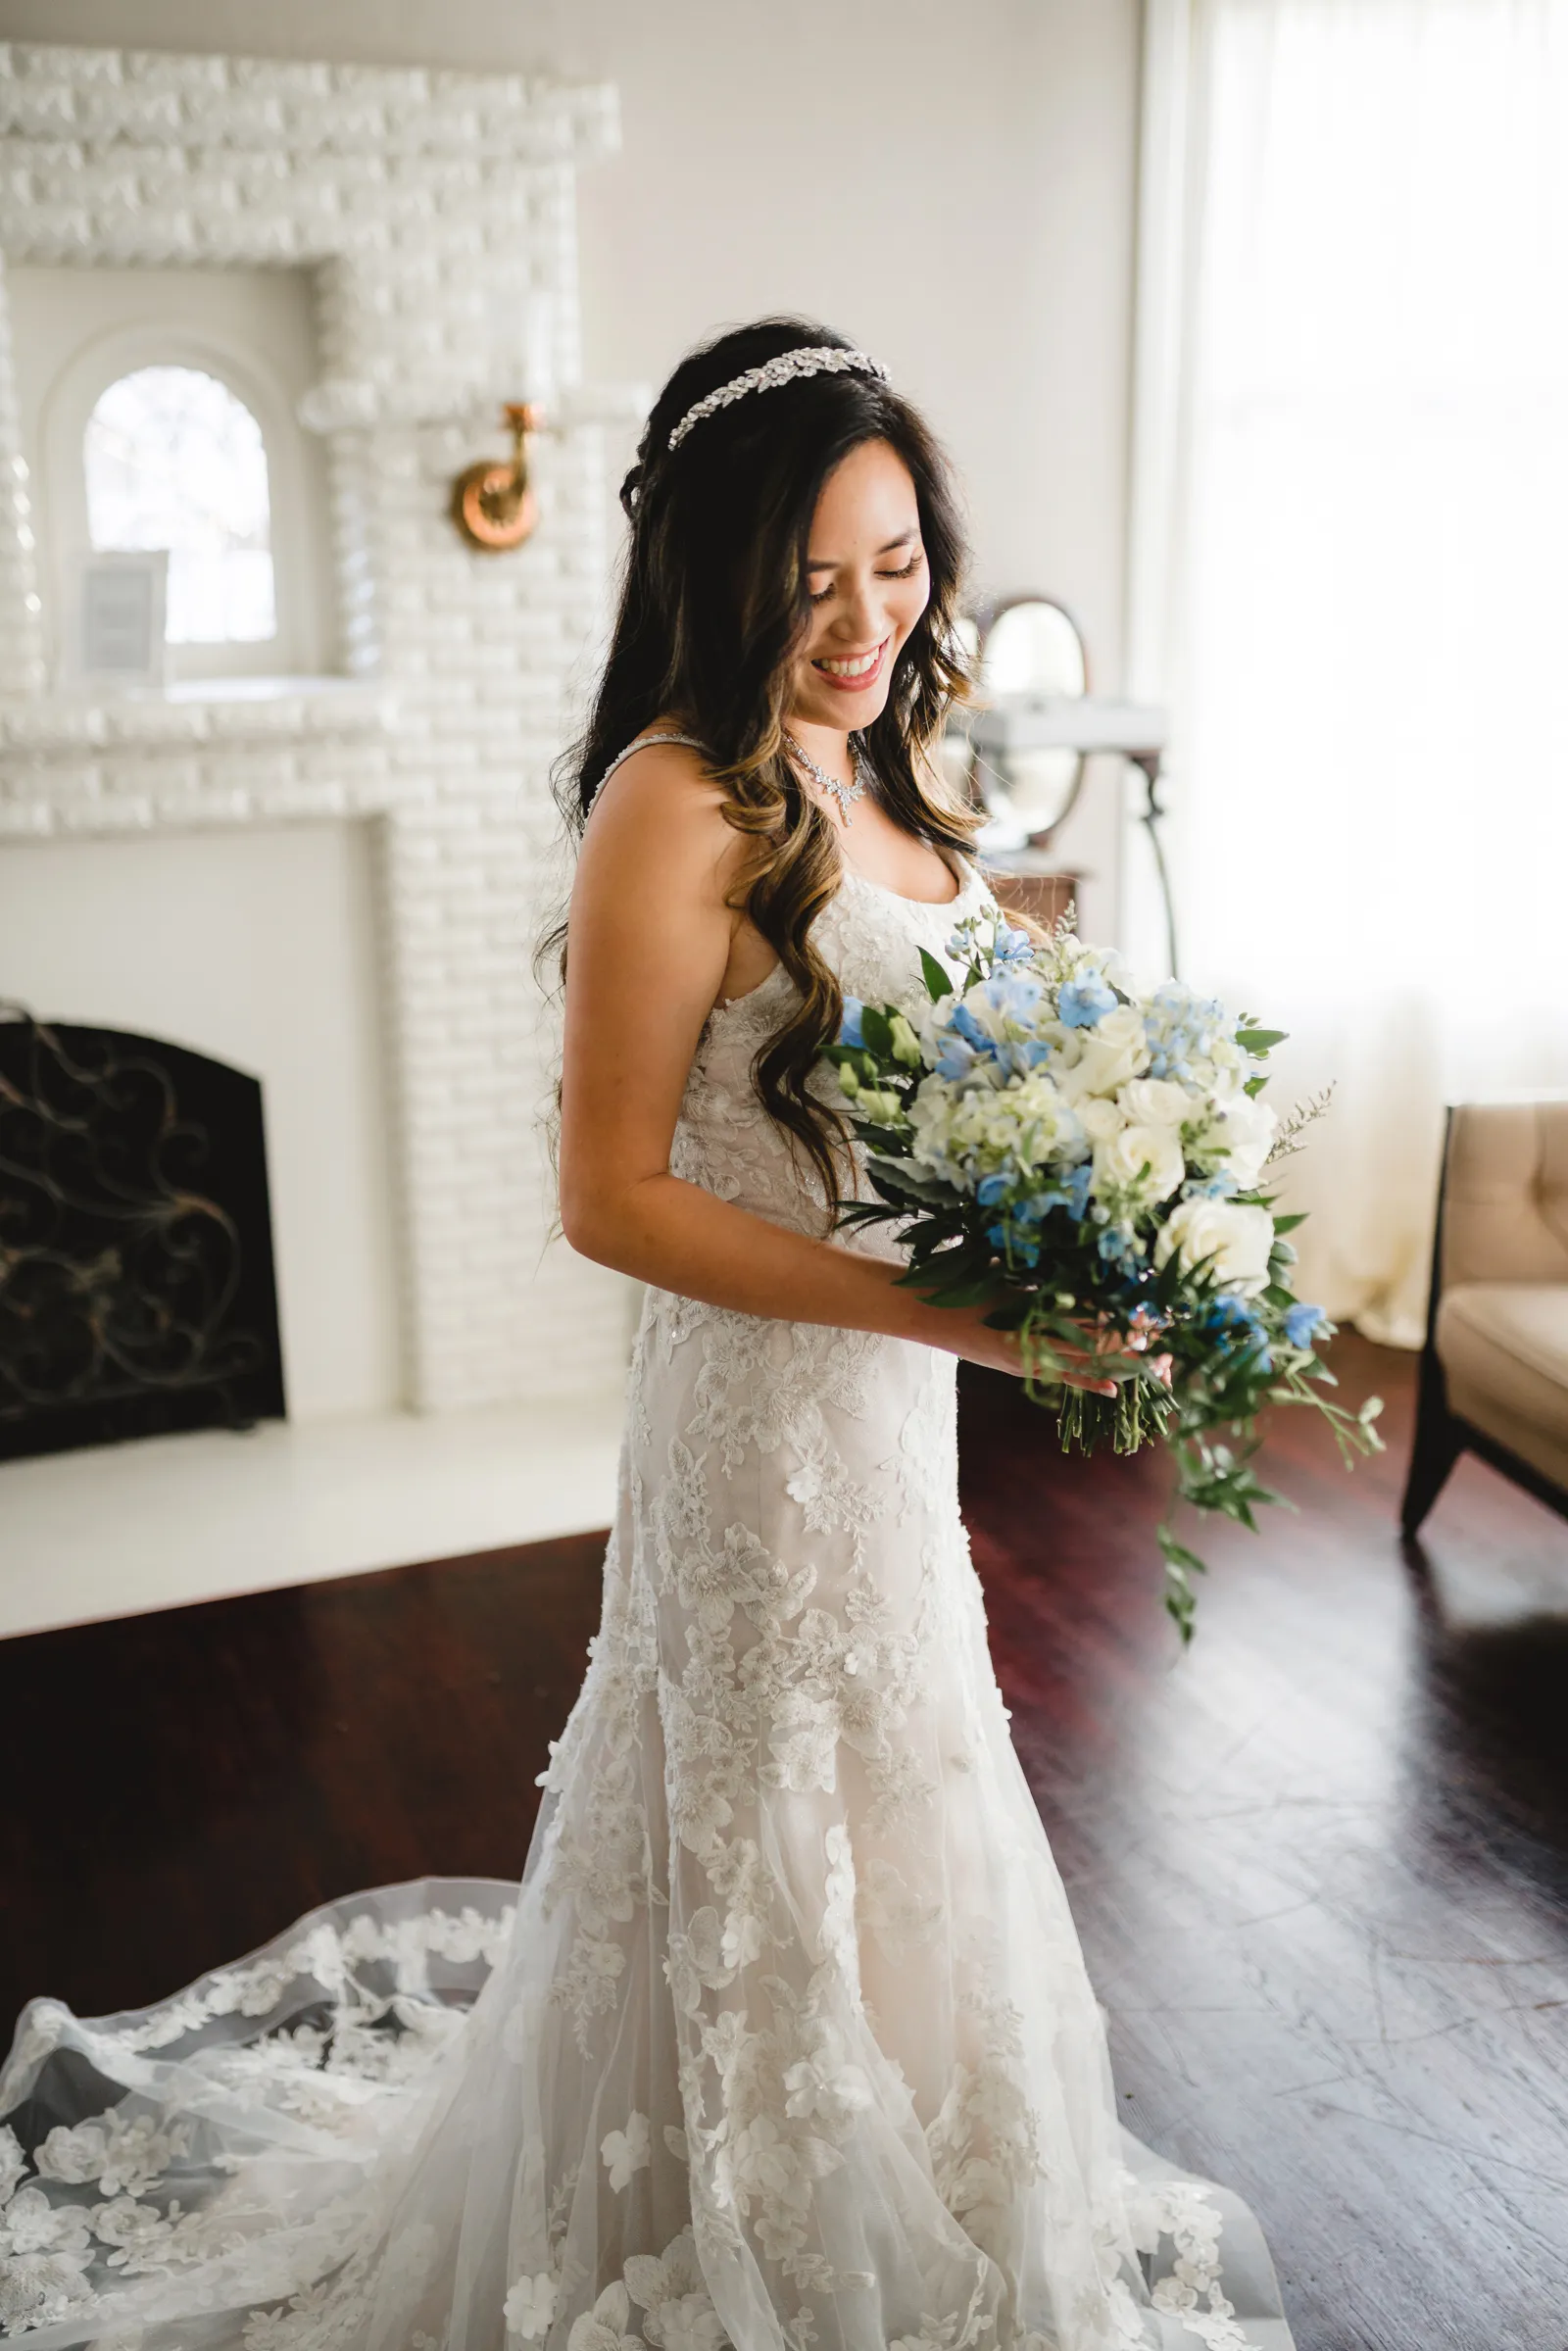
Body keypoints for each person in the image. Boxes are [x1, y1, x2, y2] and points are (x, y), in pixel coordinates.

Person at [0, 321, 1293, 2351]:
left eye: (894, 562)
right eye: (810, 584)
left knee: (891, 1785)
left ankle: (914, 2179)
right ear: (717, 574)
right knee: (772, 1794)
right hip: (757, 1405)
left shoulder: (877, 764)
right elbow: (610, 1193)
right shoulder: (671, 800)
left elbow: (930, 1092)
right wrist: (965, 1314)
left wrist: (1076, 1236)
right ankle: (751, 2223)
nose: (866, 619)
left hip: (877, 1396)